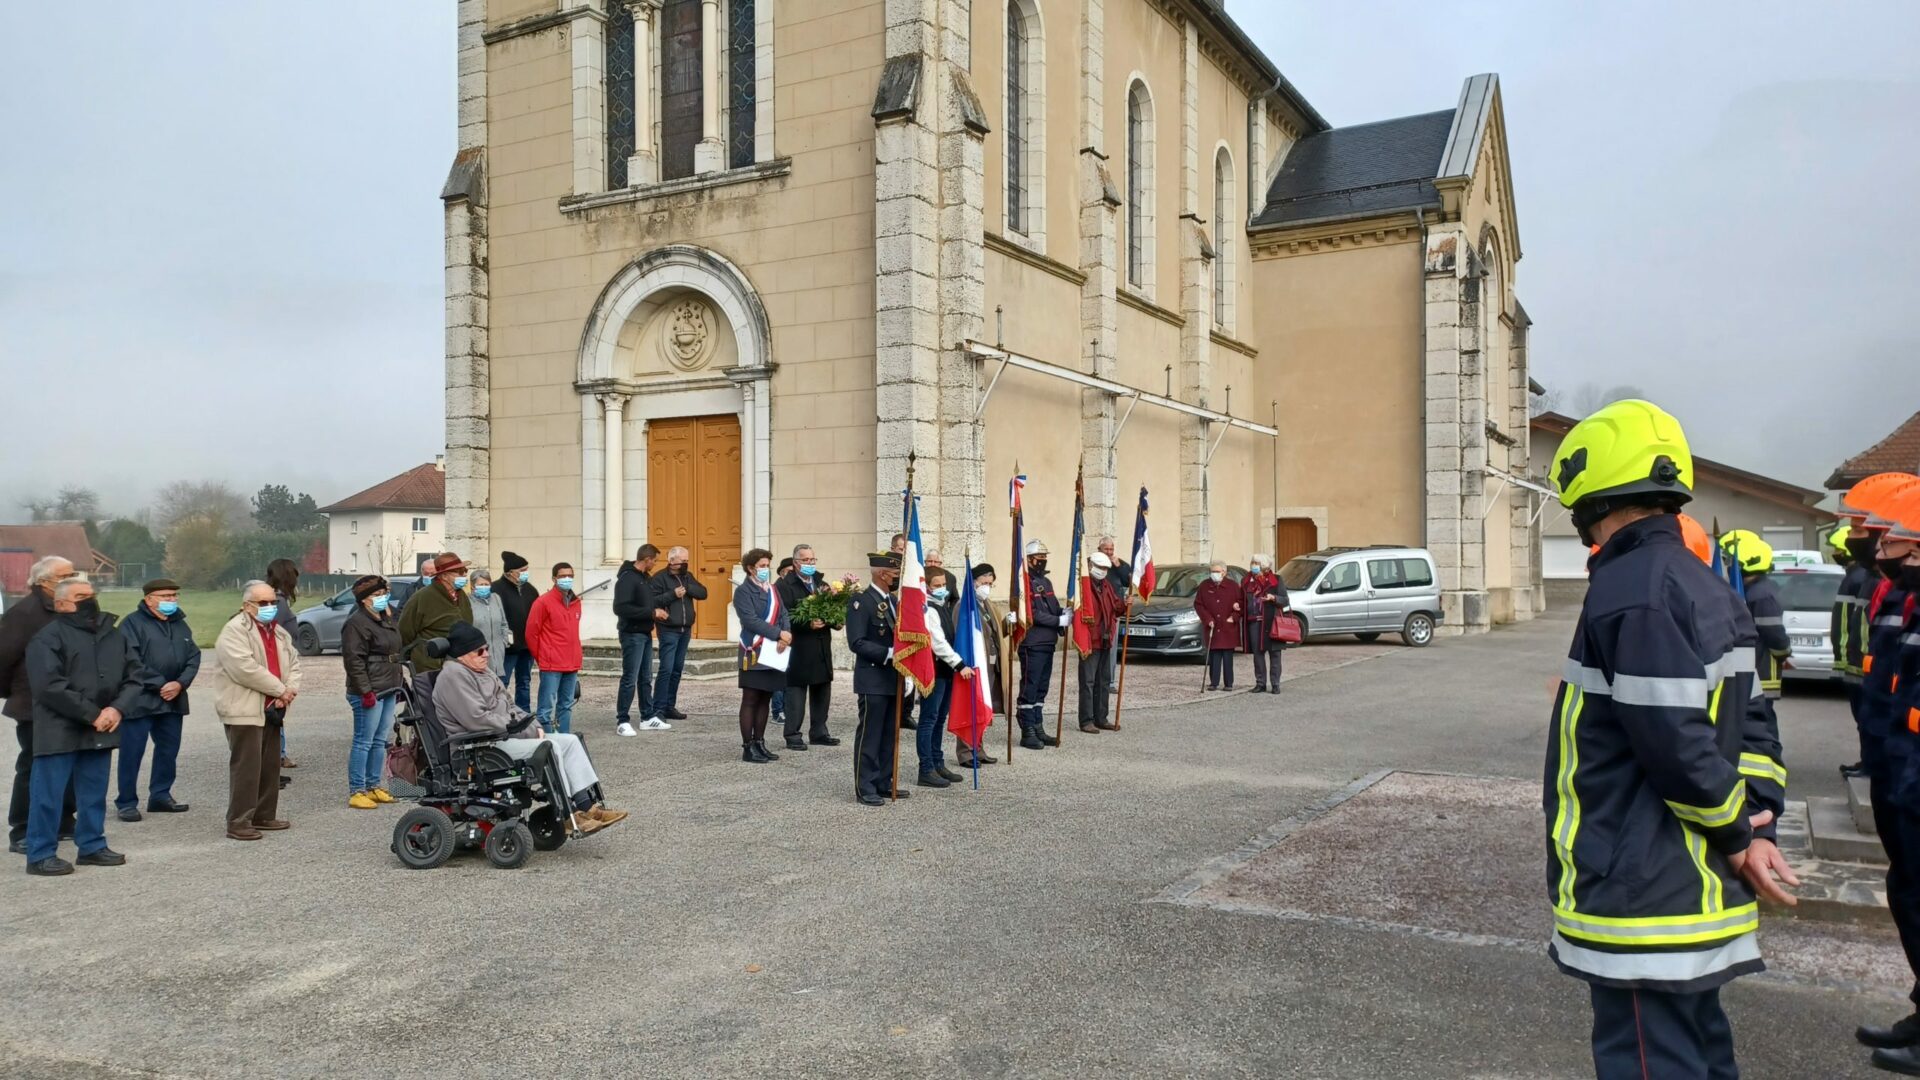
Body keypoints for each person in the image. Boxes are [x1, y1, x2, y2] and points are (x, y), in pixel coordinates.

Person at [1543, 400, 1797, 1078]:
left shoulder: (1631, 587)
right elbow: (1752, 722)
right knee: (1700, 1049)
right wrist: (1756, 821)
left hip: (1643, 890)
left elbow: (1672, 742)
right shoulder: (1705, 586)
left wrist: (1738, 834)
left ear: (1589, 491)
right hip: (1687, 890)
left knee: (1651, 1060)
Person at [433, 622, 625, 832]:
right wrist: (524, 731)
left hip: (502, 737)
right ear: (462, 654)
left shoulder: (483, 672)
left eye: (487, 648)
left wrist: (534, 724)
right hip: (479, 745)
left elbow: (512, 705)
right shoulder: (453, 676)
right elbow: (477, 719)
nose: (486, 654)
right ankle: (568, 814)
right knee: (550, 747)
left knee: (570, 741)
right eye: (480, 650)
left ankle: (588, 807)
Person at [1858, 487, 1920, 1065]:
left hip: (1911, 773)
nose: (1880, 547)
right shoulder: (1905, 600)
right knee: (1908, 894)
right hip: (1898, 768)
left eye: (1896, 540)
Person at [22, 577, 137, 876]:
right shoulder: (47, 638)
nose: (90, 600)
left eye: (92, 594)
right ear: (61, 604)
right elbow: (48, 685)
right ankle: (41, 853)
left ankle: (92, 846)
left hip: (102, 725)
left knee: (93, 792)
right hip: (59, 728)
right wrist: (92, 714)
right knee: (48, 794)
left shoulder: (114, 636)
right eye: (81, 596)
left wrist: (117, 708)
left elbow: (135, 676)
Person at [209, 581, 301, 842]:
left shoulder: (278, 632)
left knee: (269, 766)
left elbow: (294, 662)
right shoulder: (234, 631)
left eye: (273, 602)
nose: (270, 607)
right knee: (246, 767)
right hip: (244, 708)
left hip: (272, 708)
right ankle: (238, 821)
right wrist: (280, 690)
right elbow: (244, 668)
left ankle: (263, 814)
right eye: (263, 603)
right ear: (247, 605)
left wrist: (290, 689)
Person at [3, 557, 79, 854]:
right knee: (33, 765)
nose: (72, 578)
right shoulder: (23, 614)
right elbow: (3, 658)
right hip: (34, 704)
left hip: (72, 701)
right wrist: (17, 692)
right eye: (65, 575)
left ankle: (62, 820)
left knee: (70, 762)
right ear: (44, 582)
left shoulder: (73, 605)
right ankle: (21, 828)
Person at [115, 578, 199, 821]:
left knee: (168, 750)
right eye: (165, 596)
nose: (171, 600)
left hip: (173, 699)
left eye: (174, 595)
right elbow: (130, 660)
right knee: (132, 752)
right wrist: (161, 684)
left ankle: (160, 795)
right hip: (140, 699)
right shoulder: (132, 624)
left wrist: (180, 683)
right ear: (149, 599)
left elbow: (193, 655)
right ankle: (127, 801)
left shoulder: (180, 624)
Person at [340, 575, 406, 810]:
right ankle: (357, 789)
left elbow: (394, 650)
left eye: (384, 594)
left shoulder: (385, 619)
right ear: (364, 600)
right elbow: (354, 660)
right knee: (363, 741)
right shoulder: (356, 623)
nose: (383, 598)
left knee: (381, 740)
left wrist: (398, 682)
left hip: (387, 685)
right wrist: (365, 690)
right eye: (377, 595)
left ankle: (373, 784)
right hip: (369, 689)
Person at [848, 551, 903, 805]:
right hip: (872, 677)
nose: (898, 577)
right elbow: (856, 642)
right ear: (883, 574)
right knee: (871, 733)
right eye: (895, 574)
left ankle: (883, 781)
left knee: (889, 734)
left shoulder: (893, 601)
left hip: (893, 678)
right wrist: (890, 653)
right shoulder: (862, 601)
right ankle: (865, 786)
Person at [398, 552, 474, 729]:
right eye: (459, 572)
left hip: (456, 660)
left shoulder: (461, 595)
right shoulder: (423, 596)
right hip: (429, 661)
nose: (464, 576)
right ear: (445, 576)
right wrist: (420, 652)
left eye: (464, 572)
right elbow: (405, 629)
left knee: (454, 707)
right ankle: (426, 746)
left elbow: (468, 623)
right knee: (429, 708)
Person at [777, 543, 839, 751]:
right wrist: (806, 624)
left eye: (812, 560)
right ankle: (793, 734)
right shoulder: (785, 586)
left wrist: (835, 620)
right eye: (805, 560)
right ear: (795, 563)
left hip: (821, 644)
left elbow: (831, 608)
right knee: (796, 691)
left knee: (822, 688)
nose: (810, 564)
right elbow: (784, 616)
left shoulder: (821, 583)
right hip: (799, 646)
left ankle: (819, 731)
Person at [733, 549, 792, 763]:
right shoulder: (743, 591)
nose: (766, 569)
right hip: (754, 650)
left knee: (765, 698)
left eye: (767, 565)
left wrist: (785, 636)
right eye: (763, 565)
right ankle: (748, 746)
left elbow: (783, 613)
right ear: (751, 568)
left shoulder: (773, 589)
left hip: (775, 650)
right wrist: (779, 634)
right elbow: (750, 620)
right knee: (751, 699)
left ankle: (760, 742)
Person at [914, 567, 967, 787]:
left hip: (946, 671)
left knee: (939, 719)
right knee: (928, 719)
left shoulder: (942, 605)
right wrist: (959, 663)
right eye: (936, 585)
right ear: (926, 586)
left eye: (943, 584)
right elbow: (937, 642)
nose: (942, 589)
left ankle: (937, 761)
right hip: (934, 670)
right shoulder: (927, 608)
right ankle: (925, 768)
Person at [1015, 540, 1069, 750]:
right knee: (1030, 686)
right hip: (1032, 643)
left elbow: (1052, 606)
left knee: (1041, 688)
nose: (1043, 561)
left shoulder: (1045, 582)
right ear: (1029, 560)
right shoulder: (1024, 582)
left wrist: (1063, 613)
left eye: (1045, 557)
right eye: (1039, 558)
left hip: (1048, 642)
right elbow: (1032, 613)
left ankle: (1037, 726)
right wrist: (1057, 621)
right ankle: (1027, 730)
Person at [525, 562, 584, 735]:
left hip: (571, 662)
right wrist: (542, 656)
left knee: (566, 705)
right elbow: (531, 633)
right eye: (562, 576)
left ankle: (564, 738)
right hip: (552, 663)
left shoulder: (575, 602)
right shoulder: (543, 602)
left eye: (570, 576)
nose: (567, 579)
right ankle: (548, 742)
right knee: (545, 708)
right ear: (553, 579)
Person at [650, 546, 706, 724]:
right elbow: (651, 601)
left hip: (685, 628)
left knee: (677, 670)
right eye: (682, 561)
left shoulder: (687, 577)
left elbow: (703, 593)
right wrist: (672, 594)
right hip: (668, 629)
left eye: (687, 560)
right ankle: (657, 708)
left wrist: (687, 587)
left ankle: (669, 706)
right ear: (672, 561)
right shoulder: (659, 578)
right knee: (666, 669)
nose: (685, 564)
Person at [956, 564, 1004, 769]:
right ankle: (966, 752)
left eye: (990, 584)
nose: (987, 587)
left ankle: (979, 748)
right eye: (984, 583)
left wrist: (1008, 624)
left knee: (984, 706)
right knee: (971, 707)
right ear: (974, 581)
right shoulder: (963, 606)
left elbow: (995, 633)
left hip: (990, 664)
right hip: (973, 665)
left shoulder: (988, 604)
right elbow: (960, 637)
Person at [612, 544, 663, 736]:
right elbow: (621, 608)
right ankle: (622, 719)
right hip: (631, 634)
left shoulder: (644, 578)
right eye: (655, 560)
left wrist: (657, 610)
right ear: (647, 559)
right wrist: (651, 612)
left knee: (645, 677)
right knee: (630, 678)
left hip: (645, 632)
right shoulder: (627, 579)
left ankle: (647, 717)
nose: (655, 564)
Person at [1075, 551, 1122, 733]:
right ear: (1091, 566)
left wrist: (1125, 604)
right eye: (1100, 567)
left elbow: (1116, 607)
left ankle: (1101, 717)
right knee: (1087, 682)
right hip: (1089, 641)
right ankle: (1086, 720)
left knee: (1103, 681)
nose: (1103, 571)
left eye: (1105, 568)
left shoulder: (1106, 586)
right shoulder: (1083, 587)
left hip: (1105, 639)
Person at [265, 558, 301, 772]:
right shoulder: (276, 603)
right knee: (274, 712)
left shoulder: (278, 601)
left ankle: (279, 754)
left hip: (281, 663)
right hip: (276, 666)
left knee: (277, 712)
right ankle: (276, 755)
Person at [497, 551, 541, 710]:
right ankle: (502, 712)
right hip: (507, 648)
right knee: (503, 682)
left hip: (527, 646)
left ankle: (524, 712)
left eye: (527, 570)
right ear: (510, 572)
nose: (525, 574)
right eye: (522, 571)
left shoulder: (530, 589)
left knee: (524, 681)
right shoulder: (497, 589)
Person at [1241, 555, 1290, 694]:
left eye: (1256, 563)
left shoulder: (1276, 580)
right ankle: (1260, 683)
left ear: (1264, 566)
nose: (1253, 565)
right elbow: (1242, 598)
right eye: (1252, 562)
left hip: (1271, 621)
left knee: (1275, 654)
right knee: (1258, 654)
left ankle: (1275, 684)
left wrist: (1273, 597)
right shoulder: (1246, 580)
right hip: (1254, 622)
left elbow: (1285, 600)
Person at [1193, 562, 1242, 691]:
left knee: (1227, 656)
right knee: (1214, 655)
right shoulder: (1204, 586)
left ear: (1224, 572)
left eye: (1216, 571)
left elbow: (1241, 603)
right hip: (1212, 627)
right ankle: (1213, 682)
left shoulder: (1233, 586)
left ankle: (1228, 683)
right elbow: (1199, 604)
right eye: (1212, 571)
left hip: (1228, 627)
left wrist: (1234, 617)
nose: (1213, 574)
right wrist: (1207, 619)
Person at [467, 570, 510, 674]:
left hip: (497, 653)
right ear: (473, 586)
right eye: (481, 584)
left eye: (486, 584)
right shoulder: (467, 601)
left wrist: (504, 642)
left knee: (498, 685)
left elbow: (504, 623)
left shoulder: (496, 598)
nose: (484, 587)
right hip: (478, 654)